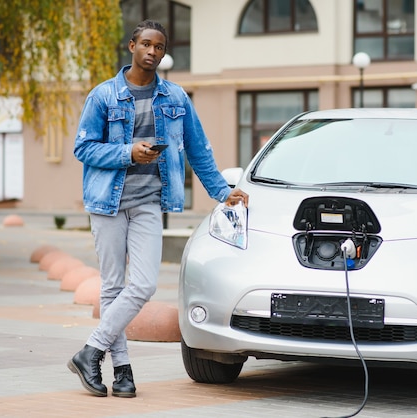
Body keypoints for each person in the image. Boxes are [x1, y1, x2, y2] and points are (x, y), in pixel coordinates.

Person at [68, 19, 249, 398]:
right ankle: (122, 372)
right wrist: (126, 152)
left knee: (144, 284)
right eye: (146, 44)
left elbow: (198, 150)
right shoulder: (103, 96)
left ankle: (91, 350)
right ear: (132, 46)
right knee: (114, 287)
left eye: (160, 47)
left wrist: (222, 191)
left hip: (149, 203)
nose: (153, 52)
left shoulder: (177, 98)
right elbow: (83, 148)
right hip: (108, 203)